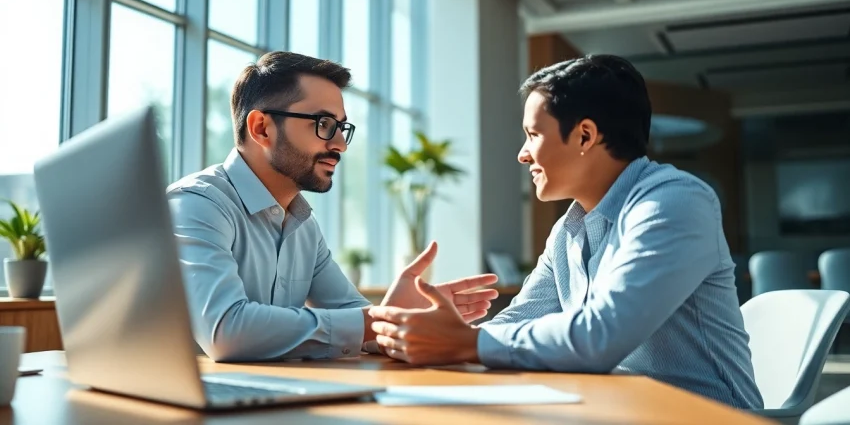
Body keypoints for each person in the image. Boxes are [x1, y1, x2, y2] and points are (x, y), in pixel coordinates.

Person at [368, 54, 763, 409]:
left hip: (706, 416)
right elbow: (515, 324)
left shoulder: (674, 203)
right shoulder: (569, 229)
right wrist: (417, 333)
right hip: (615, 409)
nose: (523, 153)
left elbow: (601, 336)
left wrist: (463, 342)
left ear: (585, 136)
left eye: (533, 135)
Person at [167, 51, 498, 362]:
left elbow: (357, 321)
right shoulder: (197, 204)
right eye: (323, 124)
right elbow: (226, 331)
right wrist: (377, 320)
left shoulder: (302, 224)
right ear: (262, 128)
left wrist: (398, 319)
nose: (339, 144)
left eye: (342, 128)